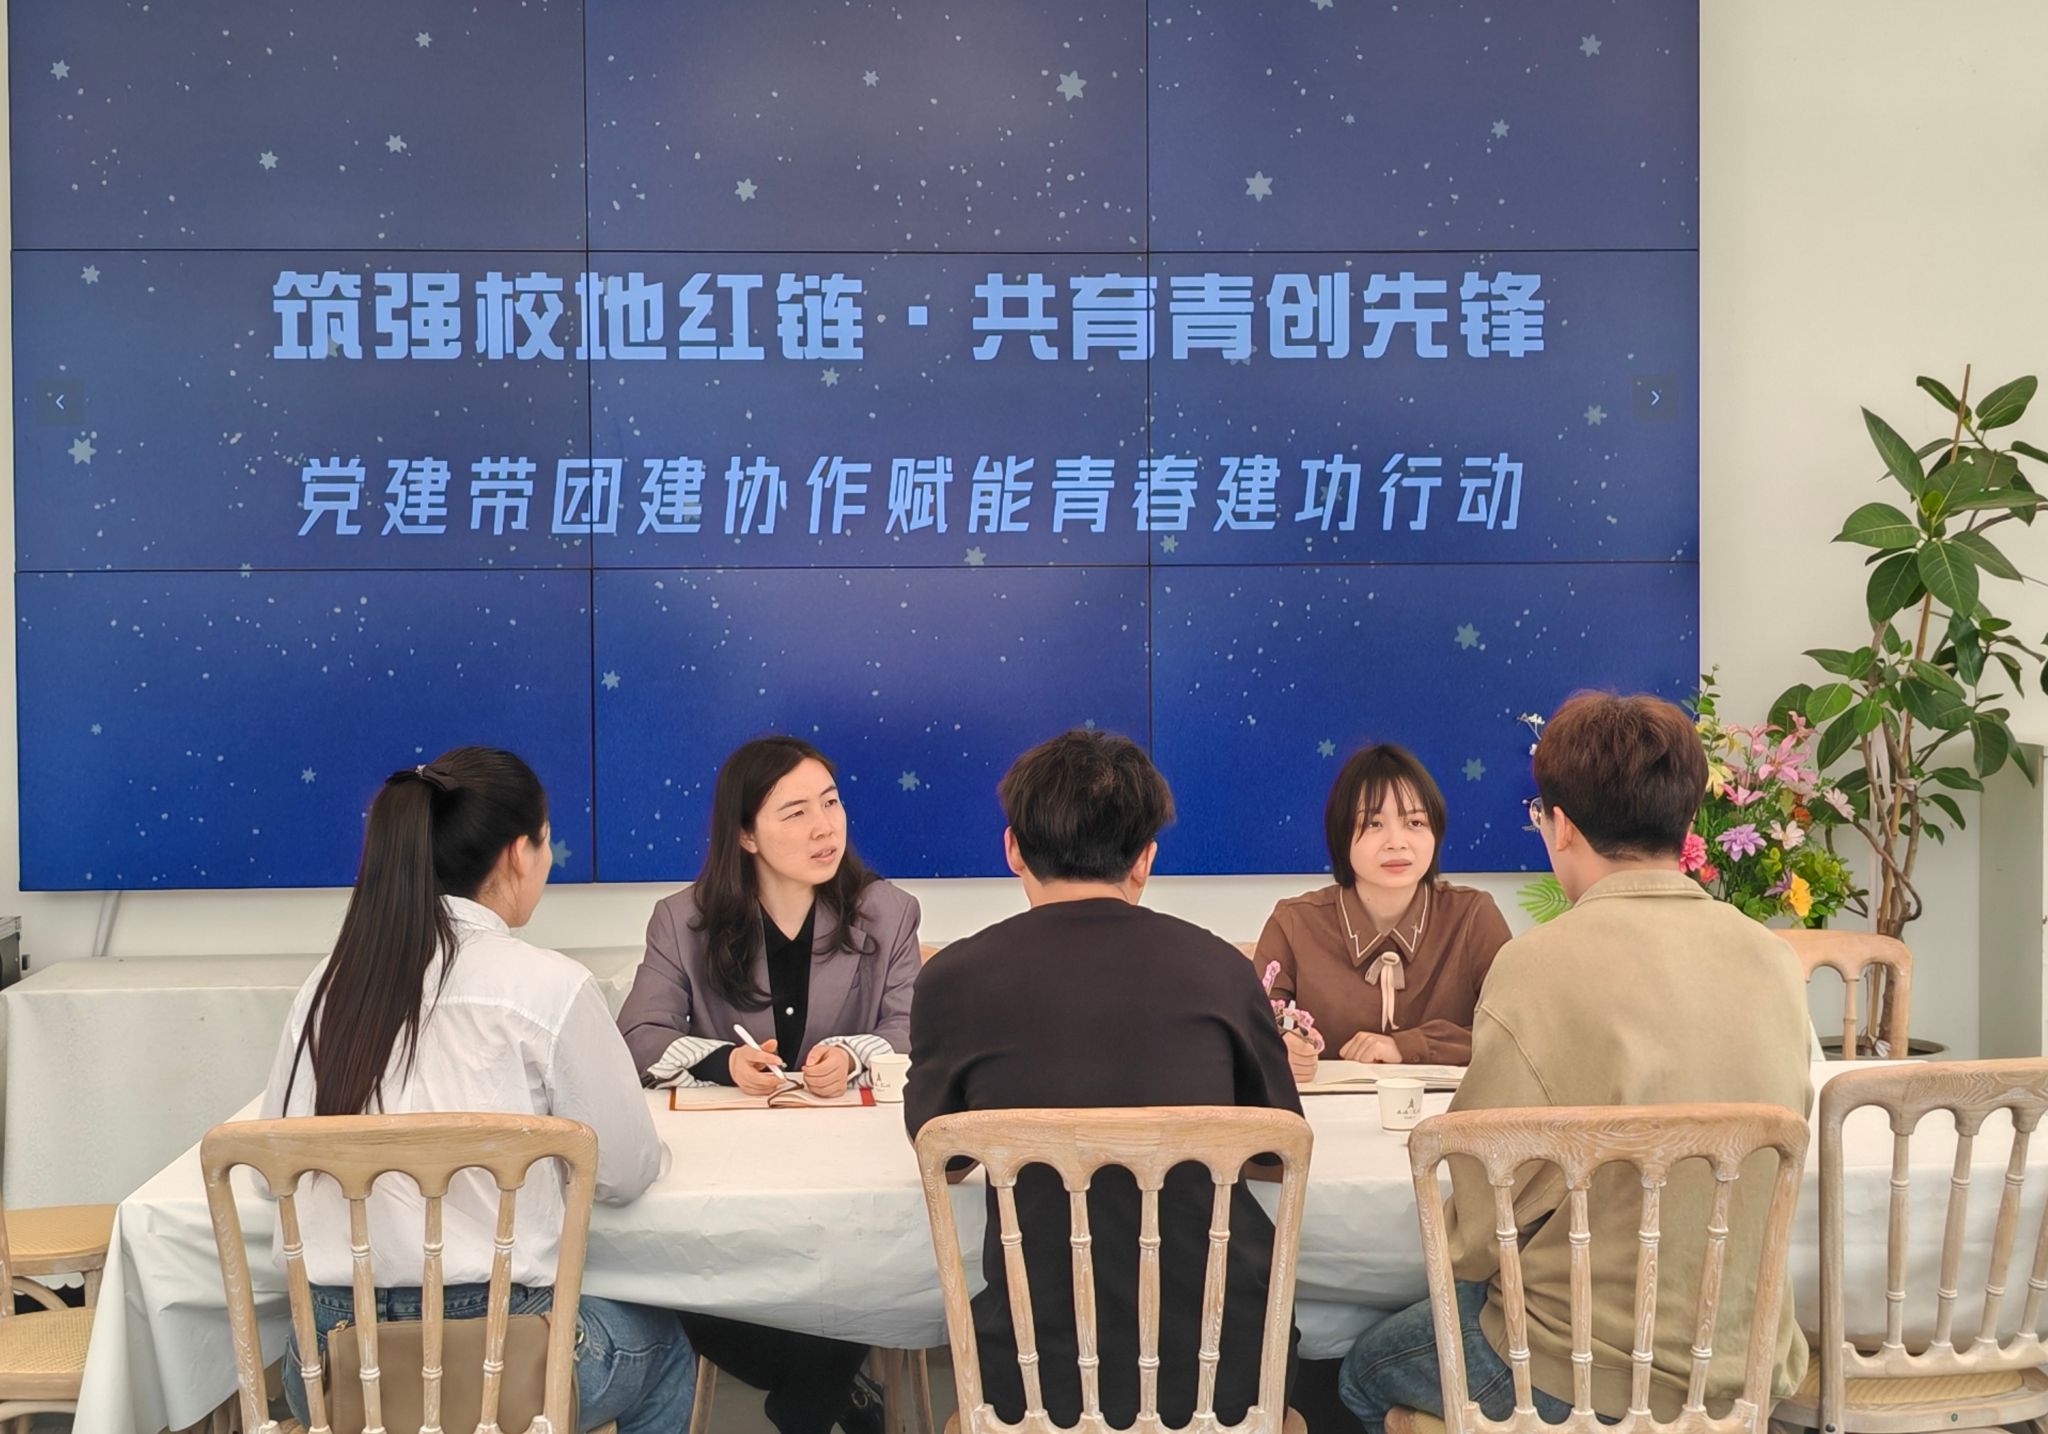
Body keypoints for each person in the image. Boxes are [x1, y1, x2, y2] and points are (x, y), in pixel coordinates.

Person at [1338, 694, 1813, 1431]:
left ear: (1559, 825)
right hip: (1746, 1360)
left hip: (1575, 1365)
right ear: (1689, 819)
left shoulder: (1538, 966)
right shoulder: (1775, 960)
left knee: (1360, 1373)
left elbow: (1475, 1228)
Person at [260, 747, 694, 1434]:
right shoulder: (549, 987)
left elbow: (270, 1178)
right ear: (519, 853)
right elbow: (624, 1172)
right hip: (498, 1361)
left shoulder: (328, 985)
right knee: (665, 1347)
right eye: (546, 844)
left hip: (333, 1365)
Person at [906, 729, 1302, 1427]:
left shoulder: (953, 979)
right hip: (1226, 1375)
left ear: (1012, 849)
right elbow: (1274, 1149)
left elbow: (947, 1154)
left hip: (1033, 1381)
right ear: (1145, 858)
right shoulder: (1219, 969)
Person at [617, 735, 922, 1434]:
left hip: (848, 1179)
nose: (824, 827)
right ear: (746, 835)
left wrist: (849, 1054)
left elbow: (913, 1029)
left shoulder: (889, 910)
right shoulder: (682, 919)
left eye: (831, 804)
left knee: (862, 1259)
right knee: (674, 1270)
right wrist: (723, 1062)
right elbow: (637, 1037)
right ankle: (831, 1389)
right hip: (730, 1179)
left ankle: (809, 1401)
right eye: (795, 812)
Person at [1255, 744, 1511, 1079]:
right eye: (1373, 824)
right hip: (1325, 1111)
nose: (1397, 842)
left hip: (1451, 1110)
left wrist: (1408, 1046)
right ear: (1341, 834)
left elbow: (1515, 1031)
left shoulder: (1473, 917)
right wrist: (1281, 1049)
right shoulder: (1293, 924)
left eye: (1415, 822)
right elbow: (1251, 1029)